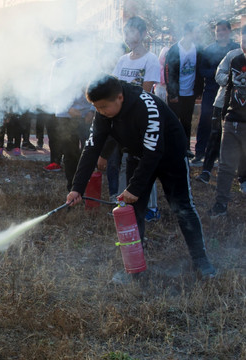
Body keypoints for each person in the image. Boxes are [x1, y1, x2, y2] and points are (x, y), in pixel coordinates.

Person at [66, 75, 216, 279]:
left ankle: (201, 261)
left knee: (182, 208)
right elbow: (91, 148)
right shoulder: (104, 113)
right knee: (133, 213)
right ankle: (134, 267)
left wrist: (134, 189)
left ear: (119, 97)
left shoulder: (146, 106)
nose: (100, 112)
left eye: (102, 107)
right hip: (138, 156)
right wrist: (77, 188)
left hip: (170, 157)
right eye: (96, 108)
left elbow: (154, 152)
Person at [109, 16, 161, 221]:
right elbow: (114, 87)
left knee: (143, 163)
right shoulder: (122, 60)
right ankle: (124, 202)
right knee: (123, 164)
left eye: (133, 32)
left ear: (143, 34)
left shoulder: (151, 60)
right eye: (126, 32)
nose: (129, 37)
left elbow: (146, 91)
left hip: (141, 119)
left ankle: (151, 207)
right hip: (121, 120)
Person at [208, 25, 246, 217]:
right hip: (232, 118)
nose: (245, 43)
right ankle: (220, 204)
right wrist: (224, 114)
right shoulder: (235, 59)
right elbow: (229, 88)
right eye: (243, 39)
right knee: (225, 165)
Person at [192, 20, 239, 166]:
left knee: (227, 124)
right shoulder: (209, 50)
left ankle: (222, 155)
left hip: (231, 93)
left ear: (229, 31)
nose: (220, 33)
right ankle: (200, 153)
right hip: (211, 92)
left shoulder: (236, 49)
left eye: (223, 30)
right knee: (205, 121)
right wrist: (214, 73)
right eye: (218, 30)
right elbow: (201, 70)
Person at [196, 44, 245, 185]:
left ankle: (243, 179)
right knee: (215, 136)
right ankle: (206, 171)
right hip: (223, 103)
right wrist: (233, 79)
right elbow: (219, 75)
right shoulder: (232, 55)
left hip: (243, 109)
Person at [165, 21, 204, 158]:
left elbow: (199, 71)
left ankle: (186, 148)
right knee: (174, 121)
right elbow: (168, 72)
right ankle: (173, 148)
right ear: (188, 32)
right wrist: (172, 92)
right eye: (196, 31)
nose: (198, 34)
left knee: (187, 121)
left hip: (190, 93)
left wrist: (198, 91)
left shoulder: (197, 49)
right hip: (177, 93)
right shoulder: (175, 49)